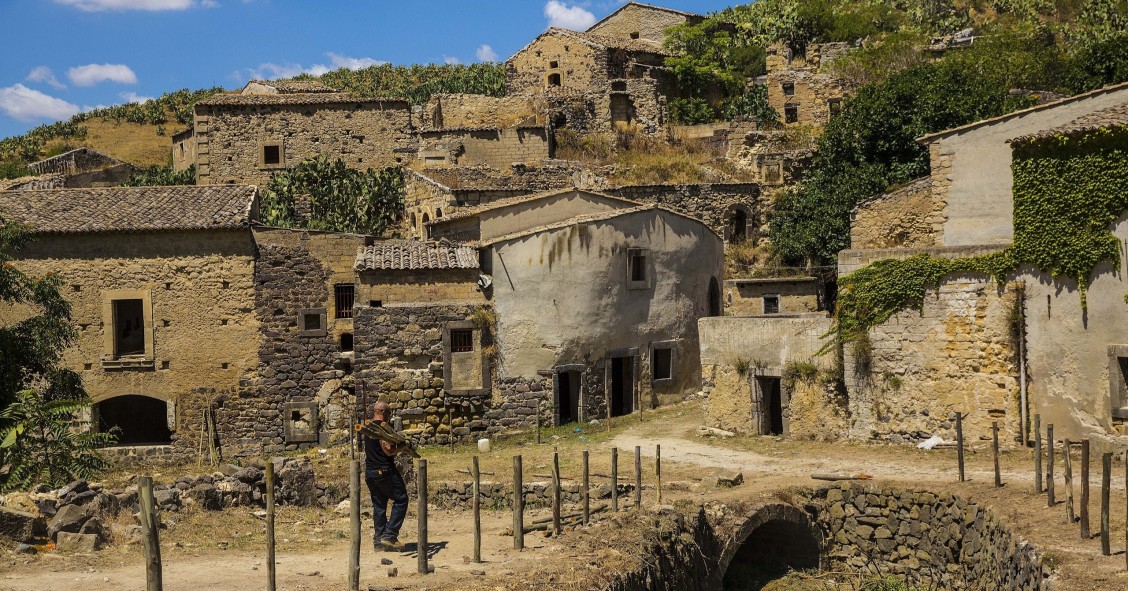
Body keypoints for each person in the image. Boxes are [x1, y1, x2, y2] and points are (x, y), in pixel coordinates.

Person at [364, 401, 409, 551]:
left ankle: (379, 543)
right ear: (383, 412)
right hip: (383, 471)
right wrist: (402, 446)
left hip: (370, 472)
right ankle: (389, 535)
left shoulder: (368, 427)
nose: (390, 417)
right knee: (401, 499)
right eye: (389, 413)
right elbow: (388, 450)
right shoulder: (381, 428)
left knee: (379, 506)